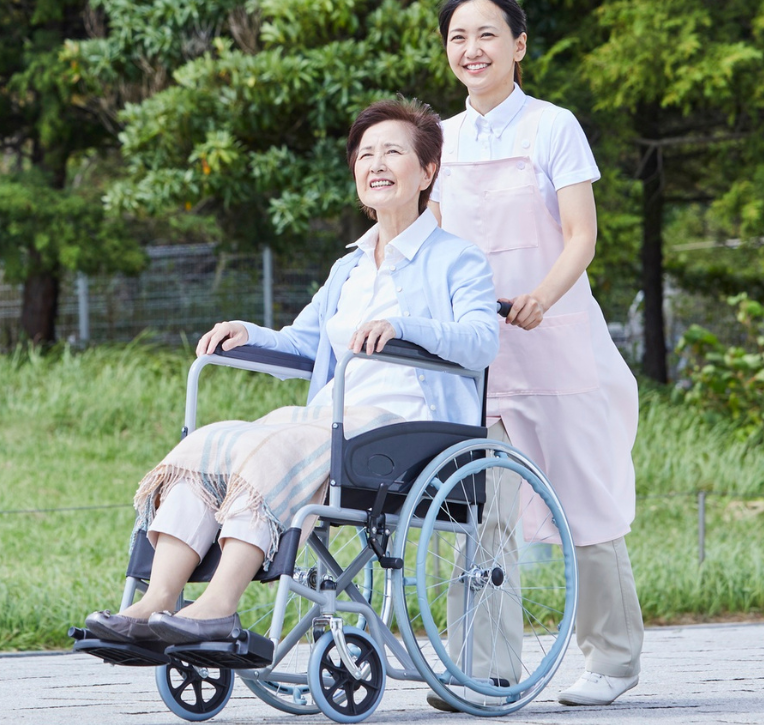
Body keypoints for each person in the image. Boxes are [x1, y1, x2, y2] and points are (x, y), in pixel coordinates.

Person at [82, 99, 501, 647]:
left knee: (279, 446)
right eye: (365, 154)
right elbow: (305, 345)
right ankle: (158, 601)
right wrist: (249, 334)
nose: (375, 163)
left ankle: (219, 607)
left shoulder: (457, 259)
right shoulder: (348, 267)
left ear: (427, 172)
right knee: (212, 446)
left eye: (393, 151)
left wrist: (405, 326)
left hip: (407, 428)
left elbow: (481, 341)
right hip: (330, 418)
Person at [427, 0, 644, 708]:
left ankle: (612, 661)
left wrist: (540, 301)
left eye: (487, 34)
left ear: (519, 46)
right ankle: (482, 669)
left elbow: (582, 237)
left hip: (556, 347)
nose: (472, 48)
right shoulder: (439, 141)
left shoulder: (553, 125)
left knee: (586, 503)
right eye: (458, 37)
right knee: (478, 510)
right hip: (477, 357)